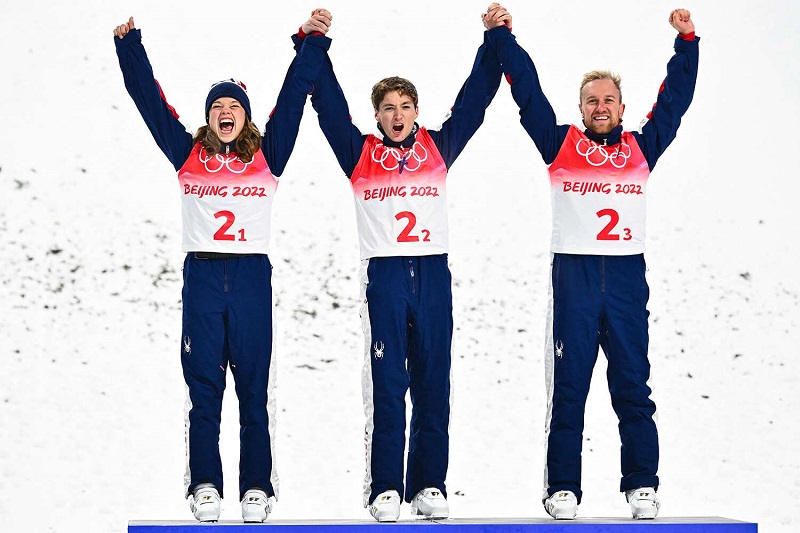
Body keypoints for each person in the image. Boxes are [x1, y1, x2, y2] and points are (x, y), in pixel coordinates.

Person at [113, 11, 331, 523]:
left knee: (254, 388)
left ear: (247, 117)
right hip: (205, 277)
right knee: (204, 389)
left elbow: (295, 97)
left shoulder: (268, 155)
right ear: (208, 117)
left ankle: (257, 487)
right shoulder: (188, 154)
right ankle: (205, 484)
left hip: (252, 276)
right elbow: (150, 103)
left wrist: (313, 42)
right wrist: (130, 49)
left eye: (234, 106)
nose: (225, 112)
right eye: (218, 106)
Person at [483, 5, 699, 520]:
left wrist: (686, 43)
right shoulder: (560, 146)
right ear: (580, 108)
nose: (600, 107)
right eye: (591, 100)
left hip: (625, 280)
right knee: (570, 389)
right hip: (575, 280)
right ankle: (563, 488)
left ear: (622, 108)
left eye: (608, 100)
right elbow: (527, 93)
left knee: (633, 386)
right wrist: (504, 37)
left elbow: (676, 102)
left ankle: (641, 485)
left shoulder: (641, 148)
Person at [298, 6, 511, 523]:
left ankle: (429, 484)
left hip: (434, 274)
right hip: (386, 277)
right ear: (377, 116)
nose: (398, 115)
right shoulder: (359, 153)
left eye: (406, 106)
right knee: (390, 383)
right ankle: (385, 487)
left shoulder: (438, 147)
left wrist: (495, 39)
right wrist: (312, 43)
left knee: (434, 380)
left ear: (417, 112)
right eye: (389, 107)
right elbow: (326, 105)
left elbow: (476, 101)